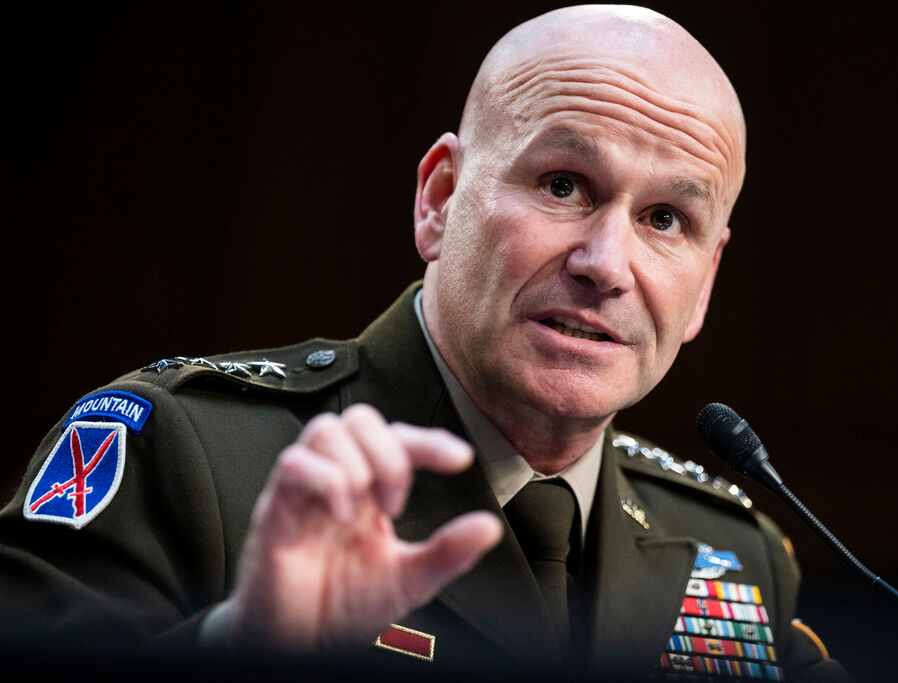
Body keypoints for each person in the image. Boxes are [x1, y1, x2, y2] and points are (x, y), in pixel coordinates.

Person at [1, 6, 853, 681]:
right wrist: (242, 646)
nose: (606, 264)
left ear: (704, 283)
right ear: (440, 199)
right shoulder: (188, 457)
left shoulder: (732, 557)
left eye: (665, 219)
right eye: (563, 185)